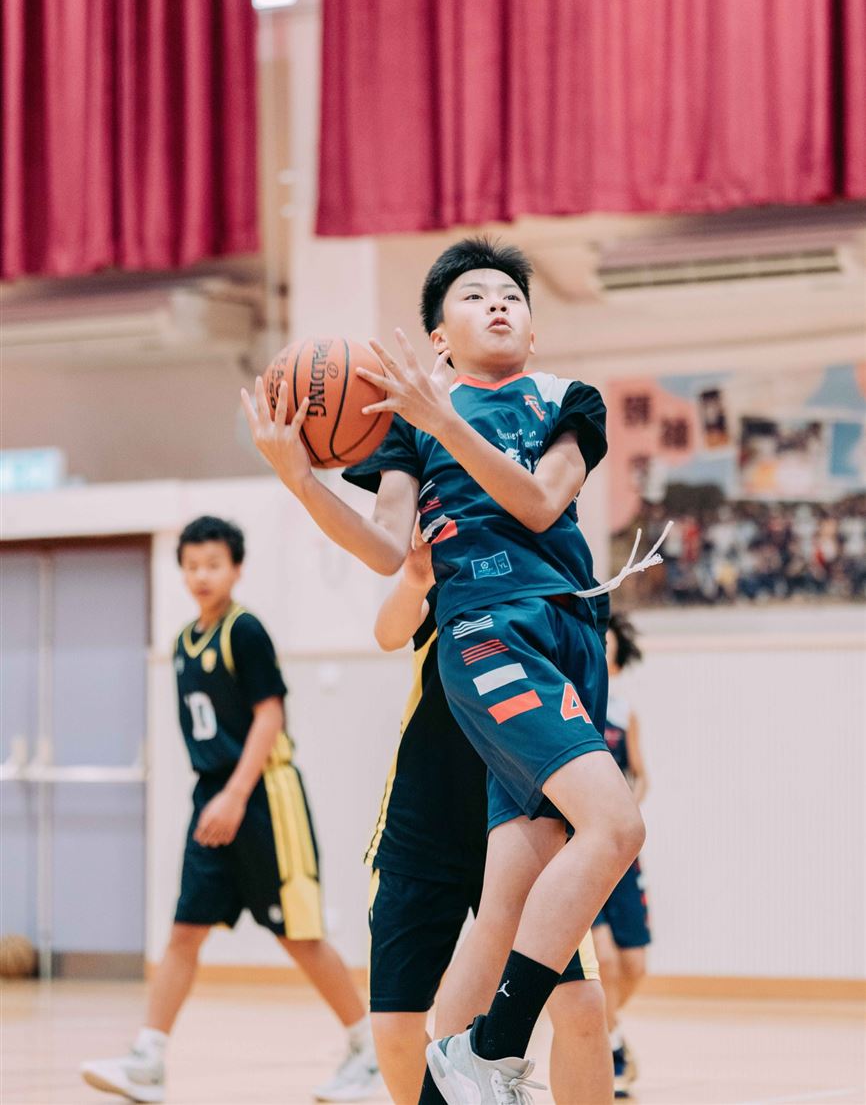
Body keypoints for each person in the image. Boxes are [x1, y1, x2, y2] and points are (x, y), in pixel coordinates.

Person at [242, 236, 654, 1105]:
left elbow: (541, 501)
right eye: (473, 295)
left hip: (573, 634)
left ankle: (462, 1072)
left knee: (508, 896)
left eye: (511, 294)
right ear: (436, 339)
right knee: (615, 827)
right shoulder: (409, 426)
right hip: (489, 632)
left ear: (533, 332)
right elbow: (386, 548)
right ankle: (492, 1050)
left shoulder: (566, 400)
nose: (497, 302)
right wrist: (300, 480)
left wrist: (444, 422)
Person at [80, 515, 380, 1105]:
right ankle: (148, 1059)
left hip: (263, 796)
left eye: (213, 564)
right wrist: (218, 797)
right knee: (184, 930)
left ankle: (367, 1048)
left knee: (298, 934)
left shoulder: (245, 631)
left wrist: (237, 795)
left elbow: (271, 715)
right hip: (212, 797)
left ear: (236, 568)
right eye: (192, 565)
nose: (202, 575)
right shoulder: (182, 643)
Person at [366, 531, 611, 1104]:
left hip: (523, 821)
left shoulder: (555, 590)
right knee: (397, 1027)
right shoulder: (455, 580)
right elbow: (388, 633)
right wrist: (413, 580)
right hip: (423, 823)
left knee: (580, 1005)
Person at [592, 613, 651, 1100]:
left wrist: (628, 806)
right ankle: (607, 1045)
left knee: (634, 964)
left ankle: (610, 1026)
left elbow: (641, 774)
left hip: (623, 855)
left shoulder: (624, 710)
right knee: (605, 961)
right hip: (582, 849)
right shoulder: (574, 701)